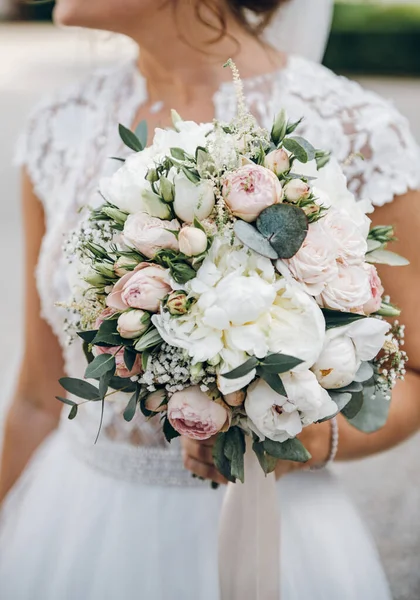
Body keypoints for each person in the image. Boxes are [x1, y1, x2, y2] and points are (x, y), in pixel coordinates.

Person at [1, 0, 420, 598]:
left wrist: (297, 438)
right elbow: (40, 398)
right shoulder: (57, 126)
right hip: (76, 516)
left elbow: (415, 370)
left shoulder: (355, 130)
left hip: (269, 527)